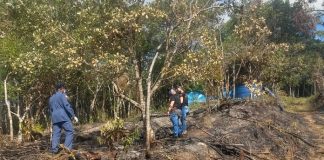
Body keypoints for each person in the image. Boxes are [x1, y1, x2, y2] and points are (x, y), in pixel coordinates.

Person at [49, 82, 78, 154]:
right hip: (63, 117)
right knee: (70, 131)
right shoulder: (62, 95)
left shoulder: (51, 98)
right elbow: (67, 106)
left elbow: (50, 110)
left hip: (54, 118)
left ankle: (54, 150)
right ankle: (66, 149)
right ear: (61, 88)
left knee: (56, 134)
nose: (65, 90)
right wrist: (73, 115)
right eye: (64, 88)